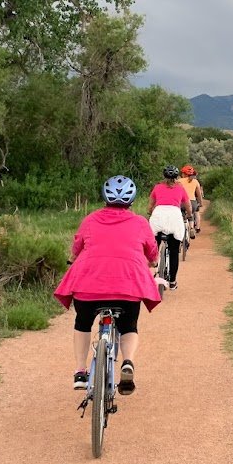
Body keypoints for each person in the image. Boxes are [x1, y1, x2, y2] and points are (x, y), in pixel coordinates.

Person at [54, 175, 161, 395]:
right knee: (129, 326)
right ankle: (127, 362)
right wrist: (152, 263)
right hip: (127, 288)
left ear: (104, 198)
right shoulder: (140, 222)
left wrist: (72, 259)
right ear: (132, 200)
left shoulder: (91, 219)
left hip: (88, 287)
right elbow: (152, 252)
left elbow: (77, 247)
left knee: (83, 322)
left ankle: (80, 372)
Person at [148, 164, 191, 289]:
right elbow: (188, 205)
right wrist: (189, 215)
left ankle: (152, 267)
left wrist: (150, 213)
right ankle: (172, 282)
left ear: (164, 176)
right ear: (177, 177)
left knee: (153, 246)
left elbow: (150, 205)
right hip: (174, 217)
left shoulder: (157, 187)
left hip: (158, 216)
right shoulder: (180, 188)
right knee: (174, 251)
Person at [178, 165, 204, 234]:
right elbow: (199, 195)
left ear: (184, 174)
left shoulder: (179, 181)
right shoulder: (195, 181)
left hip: (181, 202)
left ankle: (180, 228)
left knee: (181, 213)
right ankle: (191, 228)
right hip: (192, 202)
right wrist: (201, 203)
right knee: (190, 214)